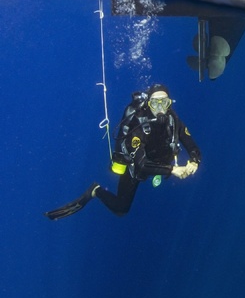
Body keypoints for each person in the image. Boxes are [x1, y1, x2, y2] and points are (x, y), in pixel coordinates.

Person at [45, 85, 201, 220]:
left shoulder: (173, 119)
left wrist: (194, 161)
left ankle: (161, 173)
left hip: (160, 163)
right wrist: (173, 170)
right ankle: (95, 191)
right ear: (148, 104)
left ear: (170, 104)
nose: (160, 108)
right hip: (137, 168)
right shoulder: (138, 125)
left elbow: (191, 144)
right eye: (155, 103)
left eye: (164, 102)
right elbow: (142, 165)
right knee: (121, 208)